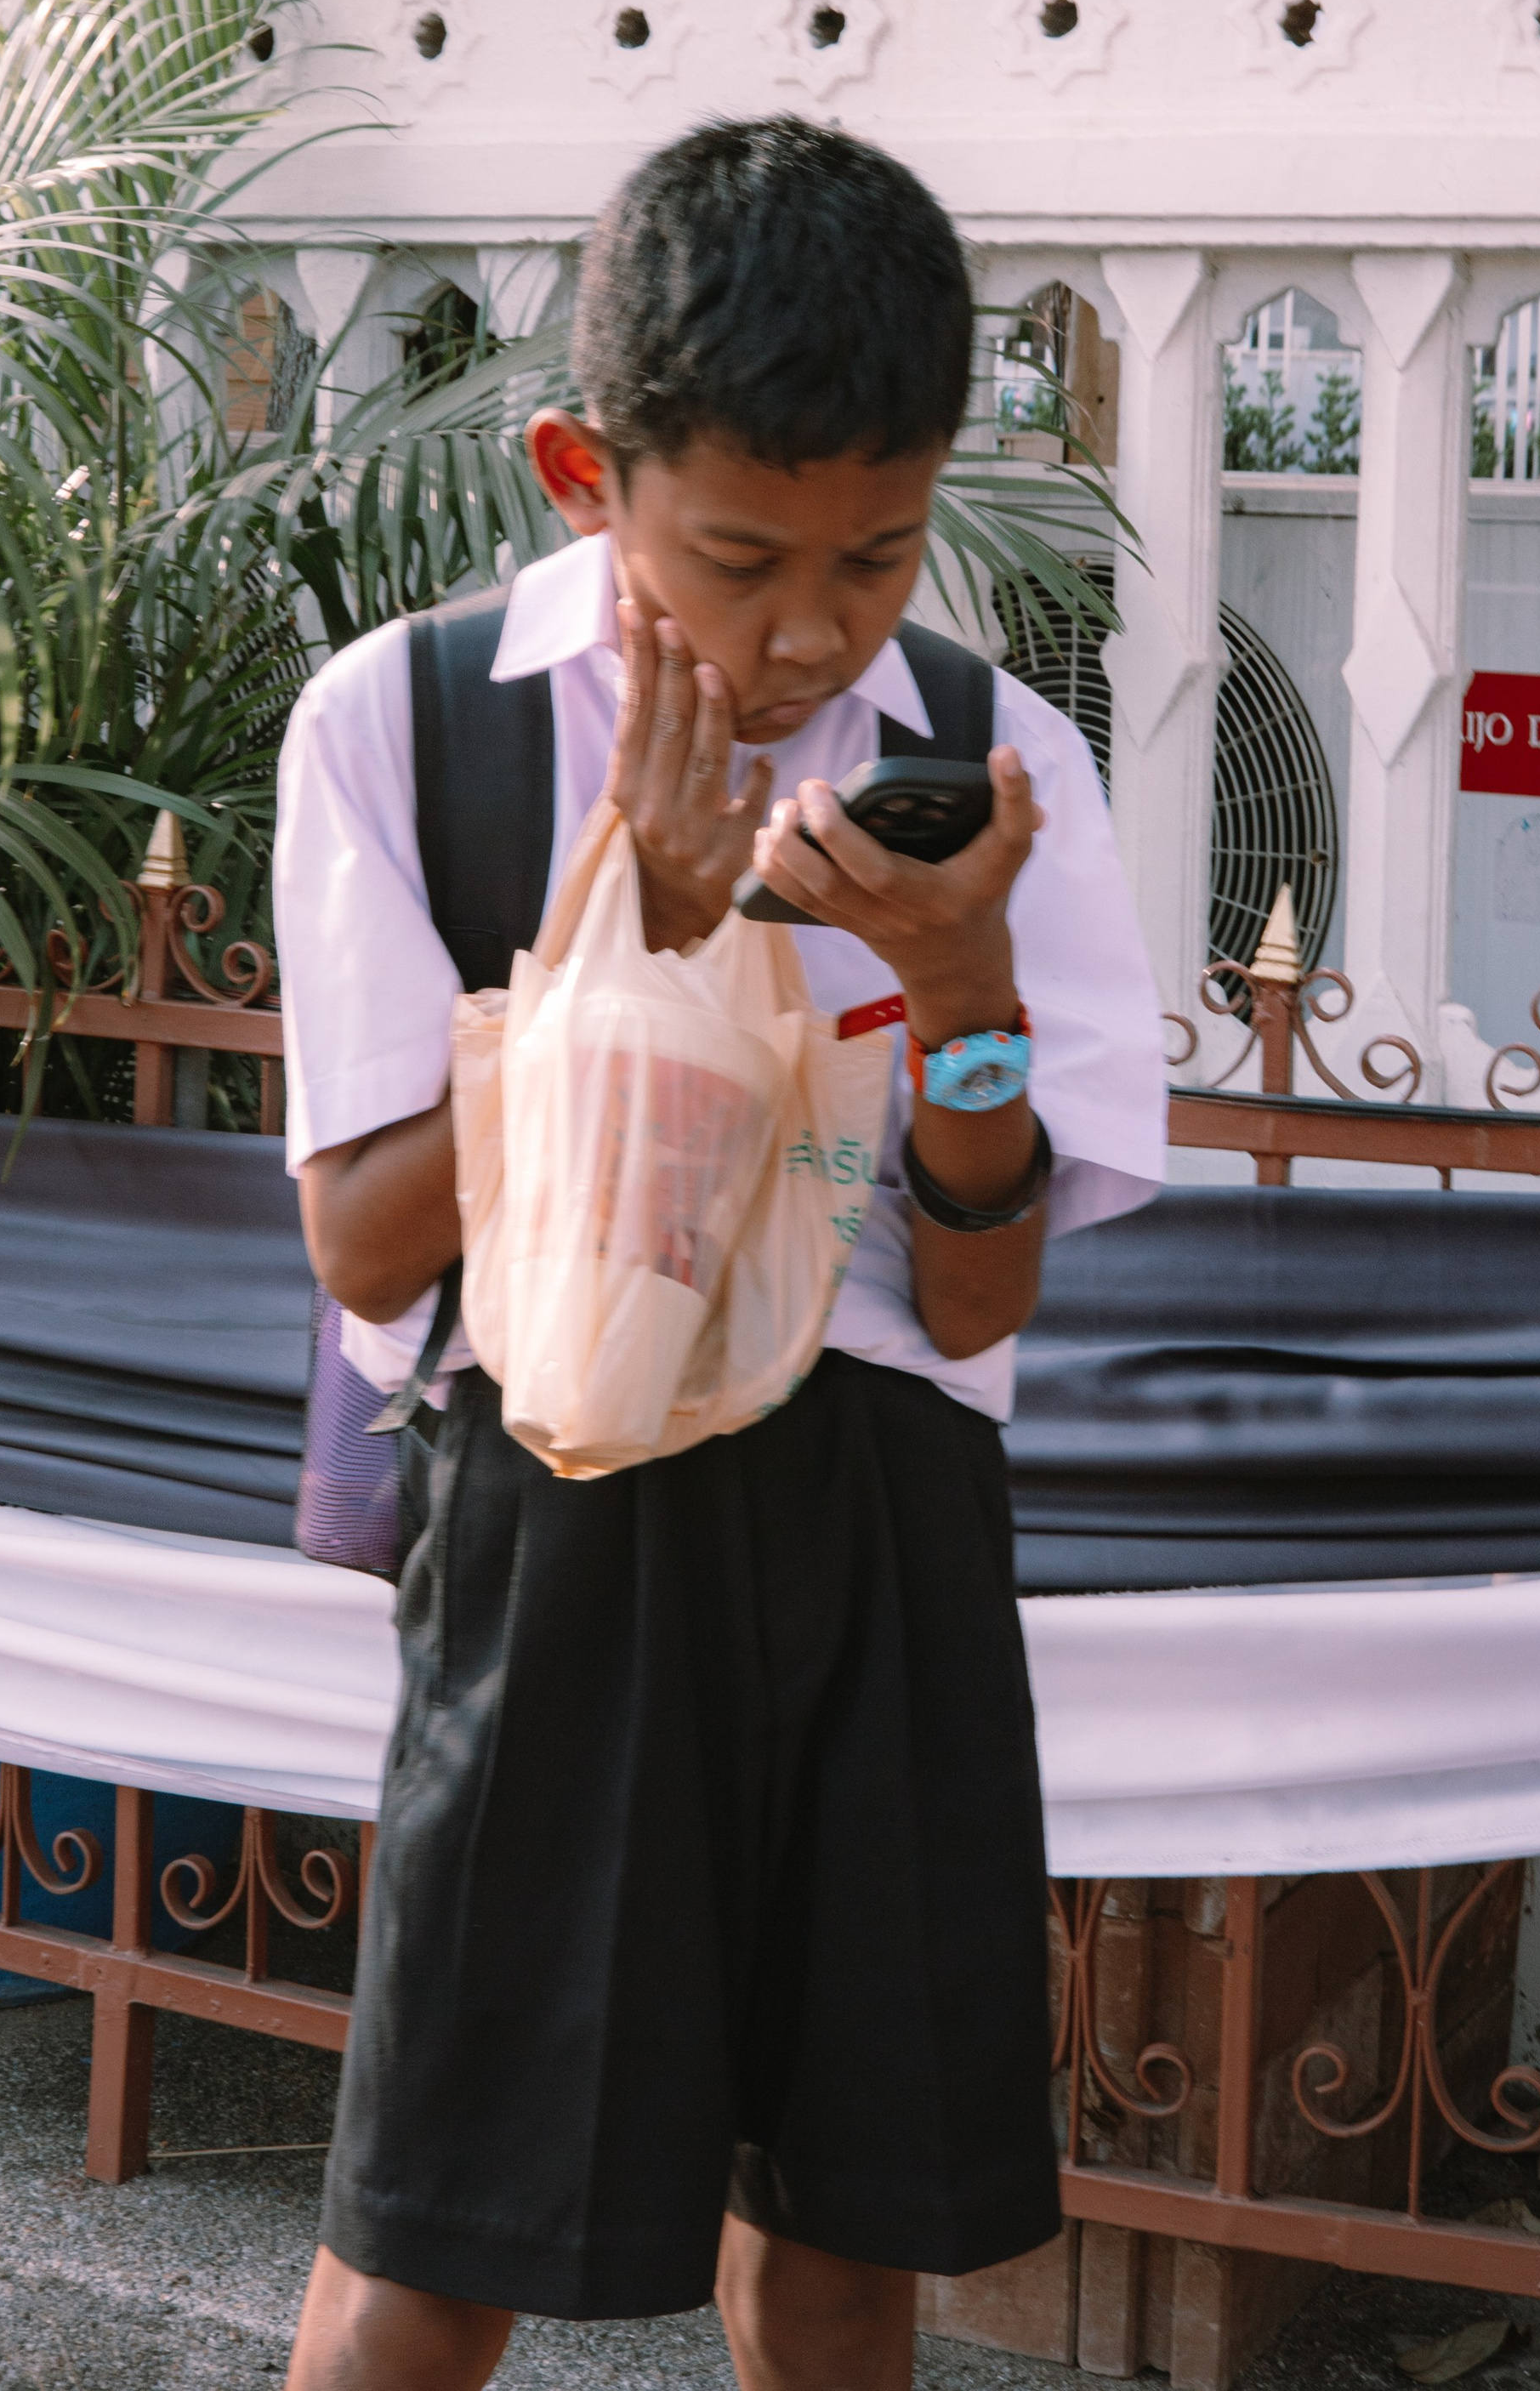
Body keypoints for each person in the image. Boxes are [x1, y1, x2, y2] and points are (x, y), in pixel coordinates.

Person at [273, 116, 1166, 2391]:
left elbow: (978, 1297)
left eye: (876, 559)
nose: (806, 634)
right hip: (558, 1523)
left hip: (886, 1528)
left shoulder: (993, 769)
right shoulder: (412, 734)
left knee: (854, 2240)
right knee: (439, 2229)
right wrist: (623, 954)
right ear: (588, 470)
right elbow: (371, 1242)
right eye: (740, 555)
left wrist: (963, 1002)